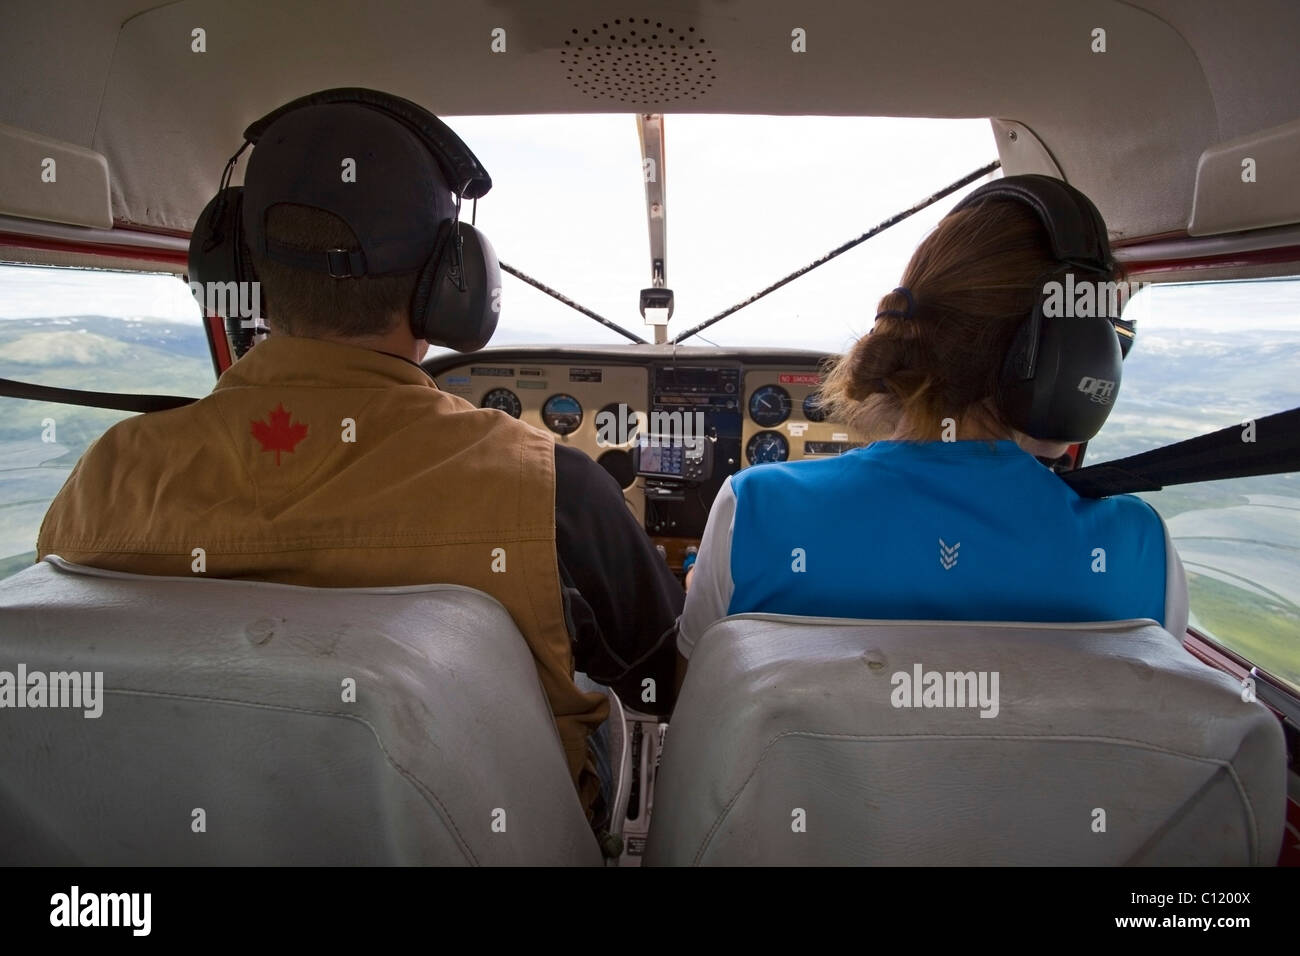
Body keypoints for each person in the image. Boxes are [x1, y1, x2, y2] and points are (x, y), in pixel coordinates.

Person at [36, 94, 683, 825]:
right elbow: (667, 680)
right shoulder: (552, 488)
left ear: (230, 266)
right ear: (453, 285)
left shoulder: (106, 472)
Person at [677, 177, 1187, 668]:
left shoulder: (756, 509)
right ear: (1077, 362)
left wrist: (712, 587)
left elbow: (697, 699)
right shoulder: (1139, 550)